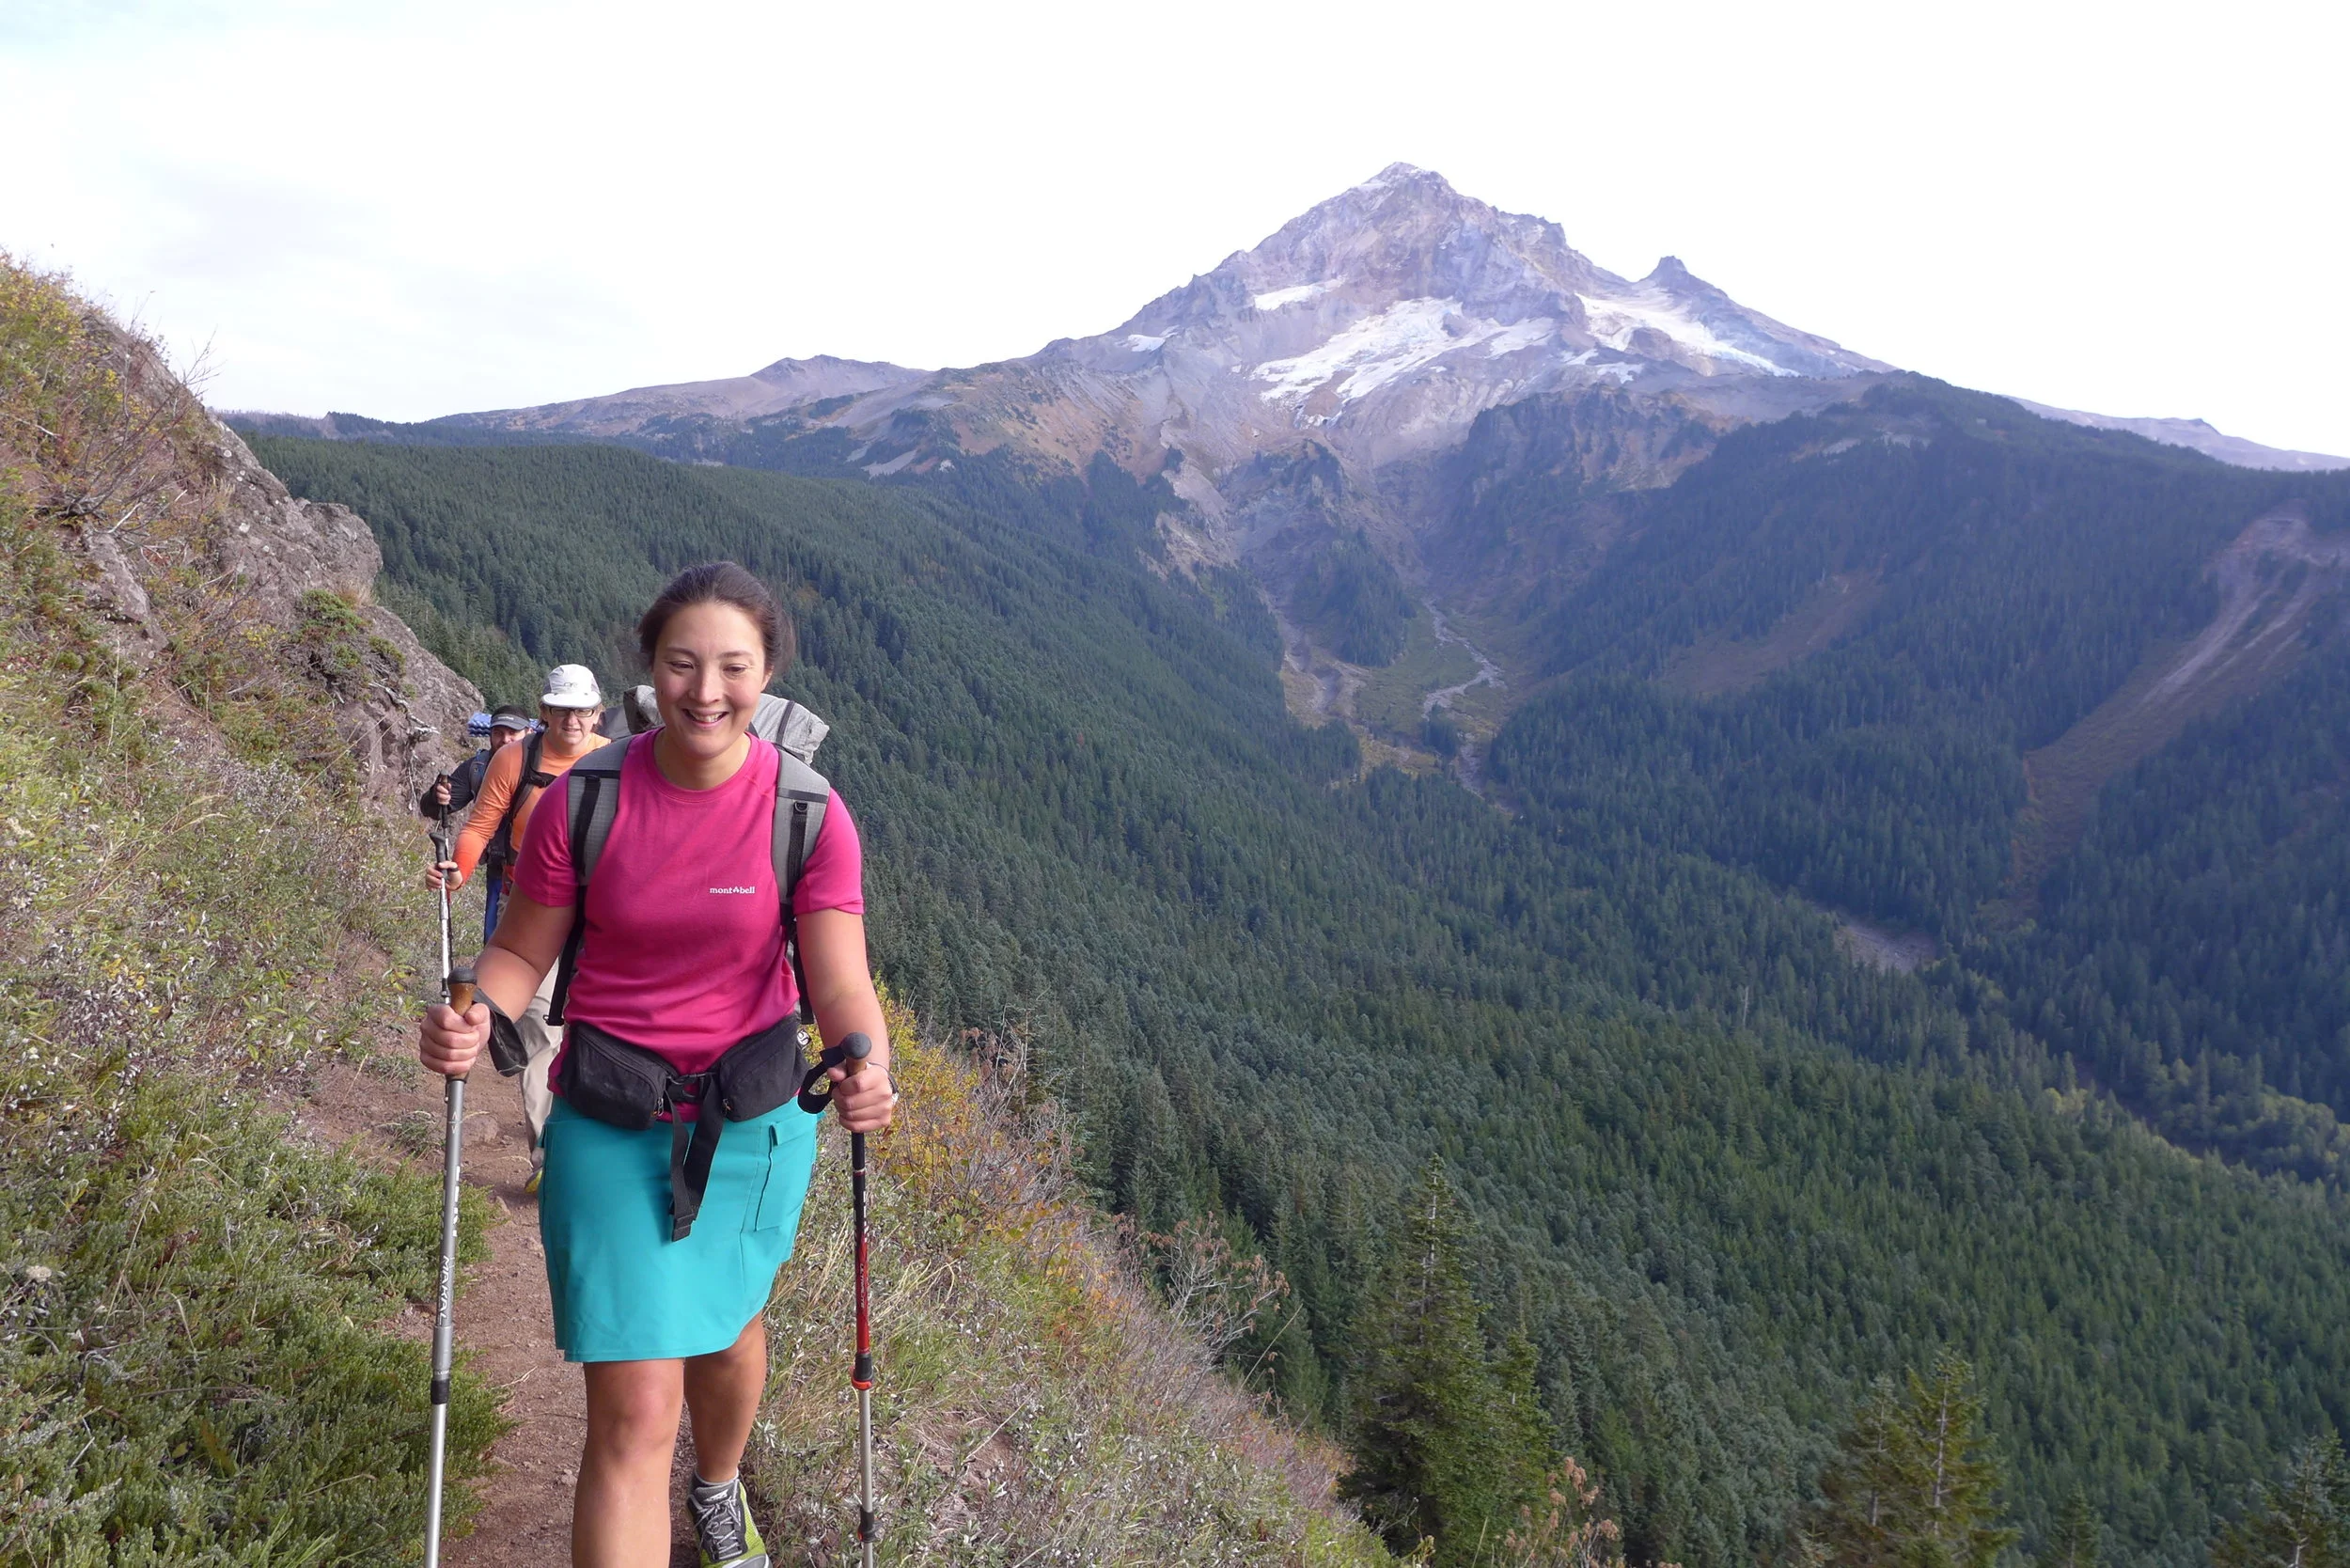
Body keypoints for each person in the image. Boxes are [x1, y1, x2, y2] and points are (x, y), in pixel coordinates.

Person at [417, 562, 892, 1568]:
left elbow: (838, 980)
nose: (706, 690)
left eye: (732, 667)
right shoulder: (584, 802)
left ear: (766, 677)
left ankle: (717, 1489)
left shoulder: (806, 813)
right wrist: (474, 1010)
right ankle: (692, 1495)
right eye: (684, 664)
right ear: (650, 671)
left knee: (725, 1329)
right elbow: (522, 951)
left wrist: (866, 1060)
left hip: (755, 1122)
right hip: (610, 1116)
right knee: (633, 1411)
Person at [425, 669, 605, 1181]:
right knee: (542, 1028)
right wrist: (458, 869)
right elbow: (481, 825)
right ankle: (549, 1158)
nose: (571, 720)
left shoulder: (617, 760)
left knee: (596, 1027)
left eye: (582, 710)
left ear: (596, 713)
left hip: (602, 910)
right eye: (561, 709)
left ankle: (596, 1149)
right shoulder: (515, 758)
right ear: (544, 712)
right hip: (532, 905)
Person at [421, 706, 533, 938]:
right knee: (494, 941)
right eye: (498, 733)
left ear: (528, 733)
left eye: (513, 733)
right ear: (490, 735)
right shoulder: (478, 768)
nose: (505, 740)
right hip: (499, 868)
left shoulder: (542, 769)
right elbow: (434, 808)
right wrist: (436, 796)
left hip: (538, 867)